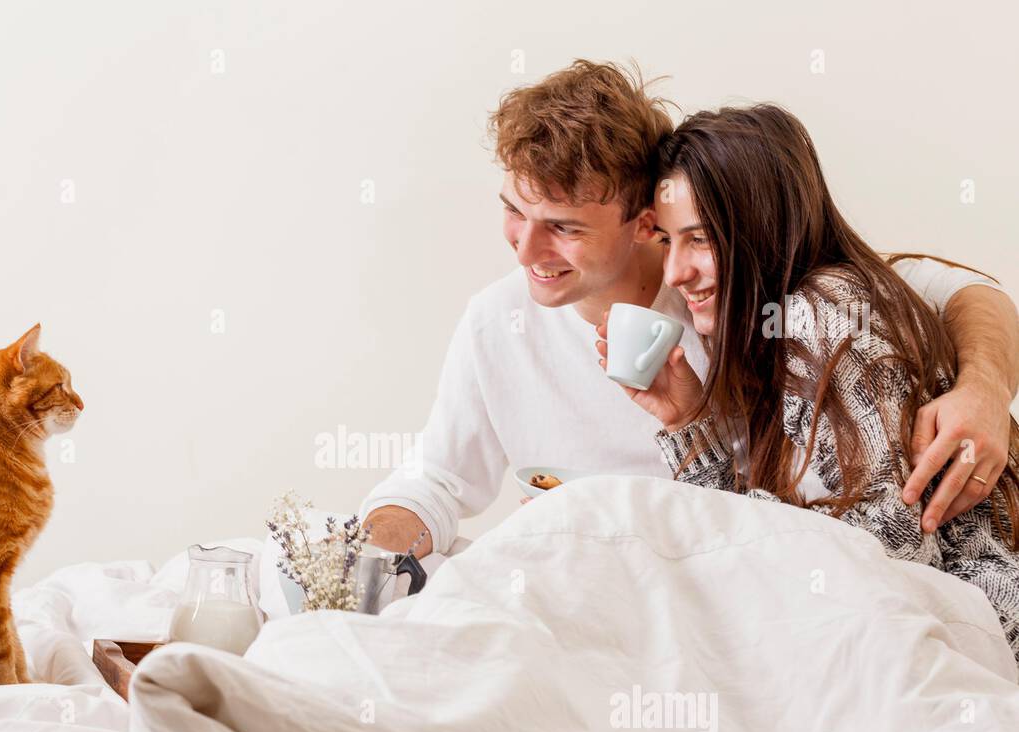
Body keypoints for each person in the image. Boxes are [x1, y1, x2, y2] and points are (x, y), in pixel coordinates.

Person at [360, 61, 1019, 560]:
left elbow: (961, 292)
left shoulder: (768, 296)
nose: (526, 249)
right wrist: (372, 555)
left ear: (645, 221)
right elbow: (435, 478)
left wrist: (986, 386)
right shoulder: (496, 321)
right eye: (513, 210)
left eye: (563, 226)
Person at [598, 103, 1019, 656]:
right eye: (669, 243)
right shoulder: (773, 331)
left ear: (761, 230)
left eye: (700, 239)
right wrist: (688, 420)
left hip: (979, 634)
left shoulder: (826, 310)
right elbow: (756, 547)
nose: (676, 272)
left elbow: (897, 552)